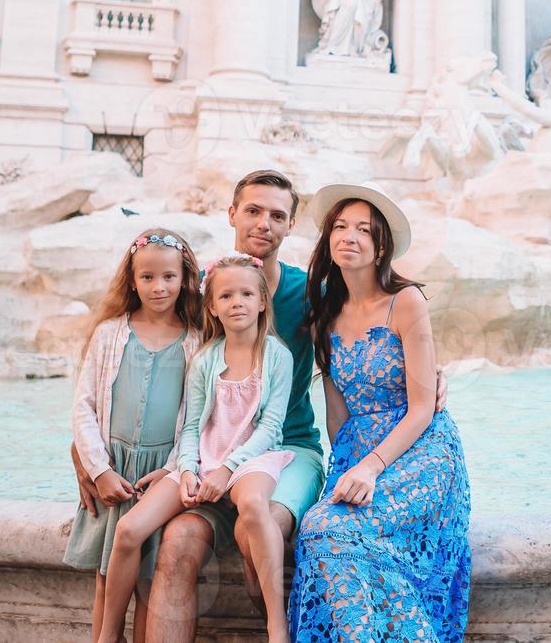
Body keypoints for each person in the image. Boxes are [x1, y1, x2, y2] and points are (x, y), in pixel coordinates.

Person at [71, 169, 449, 642]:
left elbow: (377, 325)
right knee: (177, 543)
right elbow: (138, 356)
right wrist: (87, 454)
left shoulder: (315, 293)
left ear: (291, 226)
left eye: (276, 215)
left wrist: (433, 374)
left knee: (261, 526)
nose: (263, 224)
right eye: (252, 211)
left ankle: (268, 608)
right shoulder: (207, 288)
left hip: (286, 451)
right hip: (209, 455)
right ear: (232, 214)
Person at [289, 182, 472, 641]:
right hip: (358, 453)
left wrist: (371, 468)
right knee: (318, 530)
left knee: (333, 532)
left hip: (422, 451)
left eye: (363, 231)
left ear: (380, 246)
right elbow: (338, 417)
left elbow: (422, 407)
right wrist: (344, 471)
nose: (349, 237)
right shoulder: (324, 314)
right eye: (340, 227)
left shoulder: (405, 301)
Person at [96, 252, 296, 643]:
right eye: (225, 297)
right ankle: (106, 636)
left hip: (251, 459)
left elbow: (271, 428)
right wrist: (187, 469)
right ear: (213, 307)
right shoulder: (205, 359)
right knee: (128, 529)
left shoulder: (277, 356)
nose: (236, 302)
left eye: (245, 294)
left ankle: (277, 625)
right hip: (203, 459)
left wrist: (227, 470)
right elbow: (191, 426)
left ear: (261, 302)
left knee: (254, 505)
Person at [63, 229, 205, 643]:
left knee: (149, 583)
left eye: (168, 277)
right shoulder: (110, 333)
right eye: (147, 277)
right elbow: (83, 407)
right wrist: (98, 468)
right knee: (106, 580)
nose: (158, 287)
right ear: (132, 280)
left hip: (159, 476)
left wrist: (174, 469)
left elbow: (198, 416)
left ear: (184, 279)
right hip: (117, 471)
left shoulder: (197, 339)